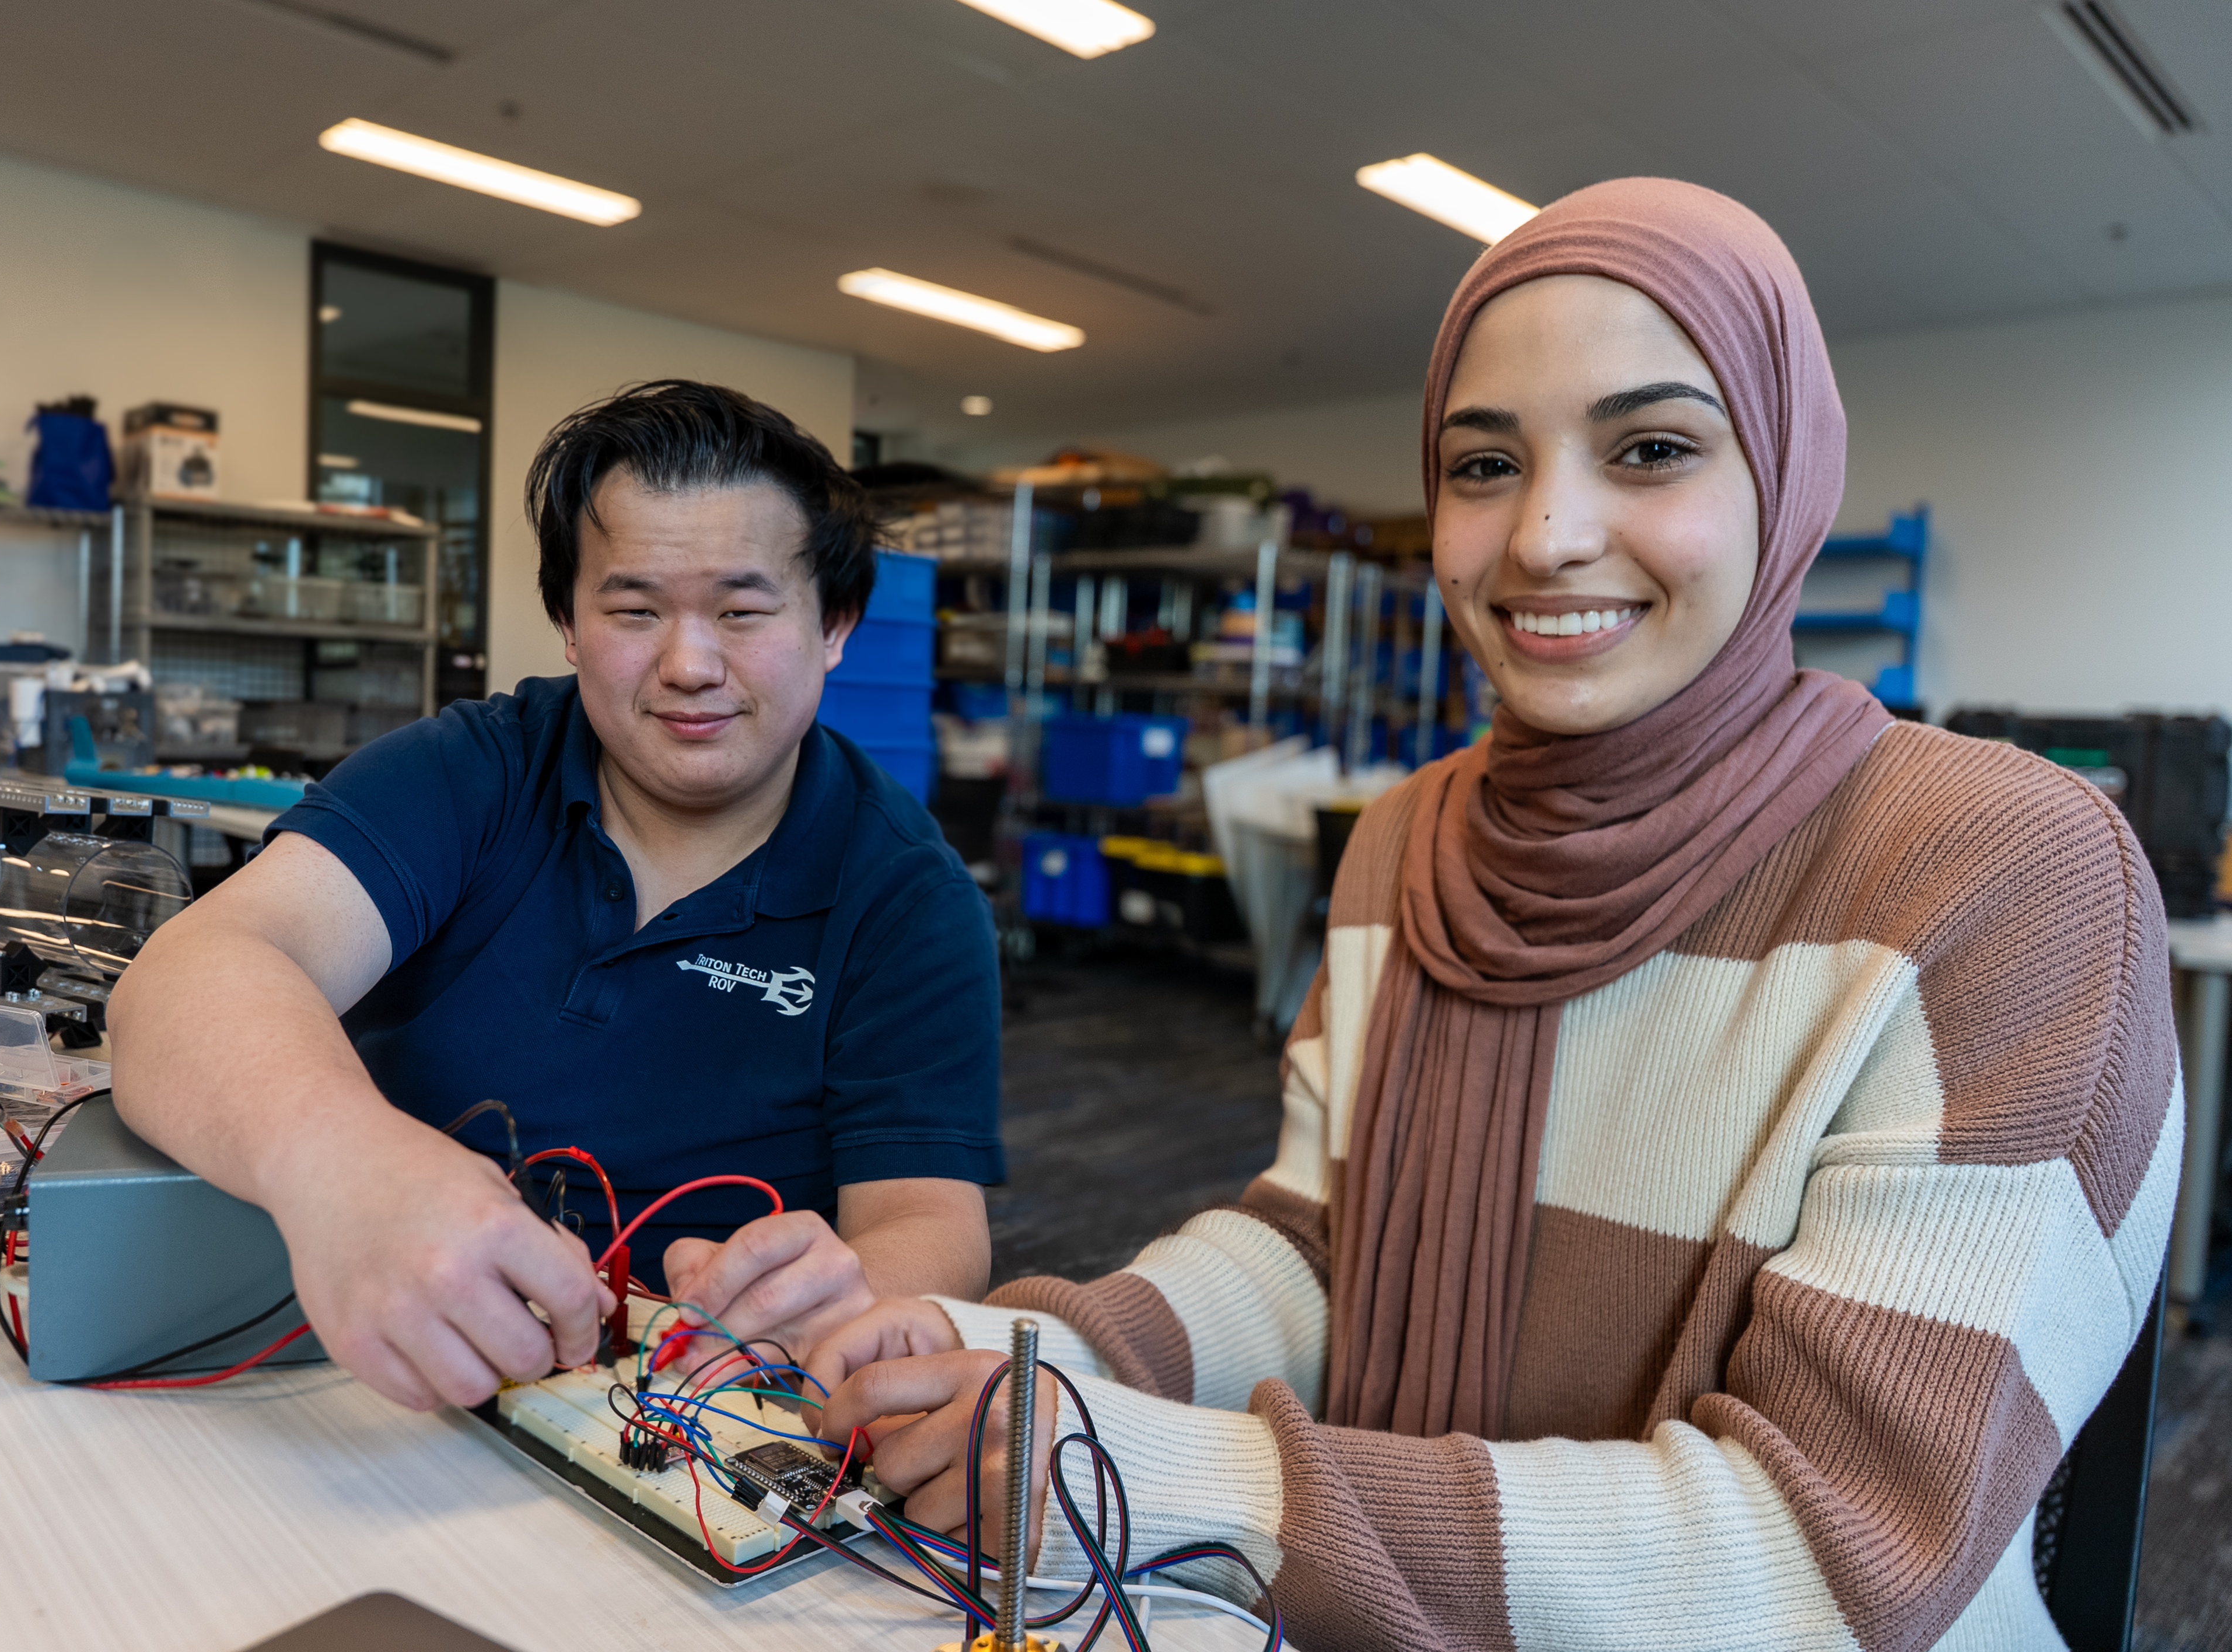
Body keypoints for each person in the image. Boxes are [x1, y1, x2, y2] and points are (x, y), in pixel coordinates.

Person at [813, 180, 2183, 1650]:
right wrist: (1013, 1353)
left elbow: (1827, 1559)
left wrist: (1151, 1473)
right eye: (1482, 464)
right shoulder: (1410, 840)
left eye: (1650, 449)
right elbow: (1318, 1253)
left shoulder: (2004, 875)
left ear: (1786, 474)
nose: (1543, 534)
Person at [113, 382, 1003, 1413]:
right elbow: (197, 971)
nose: (689, 665)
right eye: (634, 611)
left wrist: (852, 1298)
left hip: (696, 1411)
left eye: (741, 611)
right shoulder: (473, 773)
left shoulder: (909, 898)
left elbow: (931, 1221)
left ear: (834, 623)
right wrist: (344, 1167)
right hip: (386, 1364)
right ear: (571, 626)